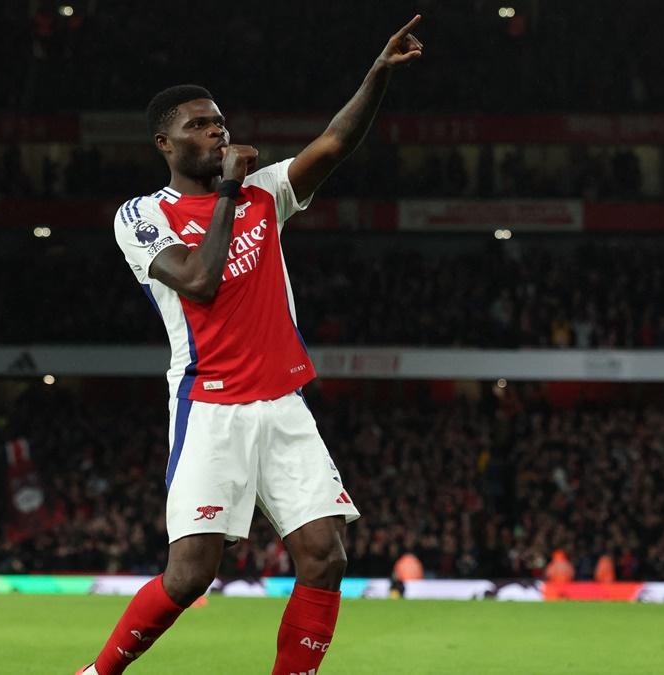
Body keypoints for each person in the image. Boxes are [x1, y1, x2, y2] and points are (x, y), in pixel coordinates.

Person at [78, 15, 425, 675]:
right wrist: (232, 194)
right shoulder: (142, 215)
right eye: (200, 125)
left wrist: (376, 76)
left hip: (283, 403)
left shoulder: (267, 191)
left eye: (220, 122)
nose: (218, 132)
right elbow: (199, 282)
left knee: (327, 554)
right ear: (164, 142)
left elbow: (333, 144)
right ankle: (97, 673)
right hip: (211, 405)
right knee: (190, 574)